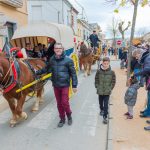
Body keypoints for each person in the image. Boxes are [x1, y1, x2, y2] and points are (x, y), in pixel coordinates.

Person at [36, 43, 78, 128]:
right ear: (54, 50)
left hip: (65, 85)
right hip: (56, 85)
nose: (58, 49)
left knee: (65, 102)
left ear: (62, 49)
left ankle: (69, 115)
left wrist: (74, 85)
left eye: (60, 48)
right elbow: (46, 69)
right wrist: (37, 72)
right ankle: (62, 118)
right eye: (56, 48)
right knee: (59, 103)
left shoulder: (68, 60)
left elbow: (73, 74)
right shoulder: (52, 59)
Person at [95, 57, 116, 124]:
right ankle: (101, 109)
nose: (106, 65)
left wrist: (110, 88)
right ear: (102, 63)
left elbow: (113, 81)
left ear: (109, 63)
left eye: (107, 63)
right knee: (101, 102)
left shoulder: (112, 72)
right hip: (100, 90)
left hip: (107, 91)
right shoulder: (99, 71)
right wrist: (97, 86)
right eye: (104, 63)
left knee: (106, 104)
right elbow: (96, 79)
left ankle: (105, 117)